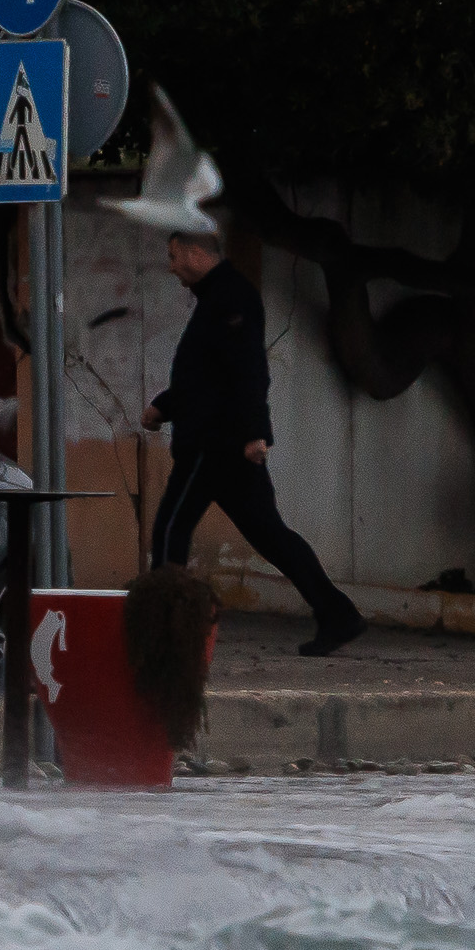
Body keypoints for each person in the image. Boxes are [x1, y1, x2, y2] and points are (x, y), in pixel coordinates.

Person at [145, 224, 366, 657]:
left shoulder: (231, 297)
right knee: (271, 536)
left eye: (174, 257)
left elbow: (248, 370)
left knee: (170, 530)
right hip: (222, 445)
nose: (171, 268)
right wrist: (164, 406)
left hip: (214, 446)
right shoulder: (217, 298)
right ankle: (337, 614)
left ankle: (162, 634)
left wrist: (256, 433)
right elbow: (206, 375)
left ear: (193, 253)